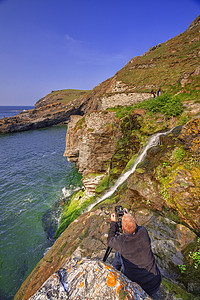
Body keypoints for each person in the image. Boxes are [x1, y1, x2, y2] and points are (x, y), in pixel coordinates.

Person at [107, 210, 161, 298]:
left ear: (123, 228)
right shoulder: (143, 231)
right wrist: (127, 216)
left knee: (119, 253)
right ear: (135, 224)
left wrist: (113, 223)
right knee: (121, 252)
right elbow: (136, 228)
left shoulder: (121, 242)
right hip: (155, 282)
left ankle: (113, 271)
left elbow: (109, 240)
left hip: (138, 286)